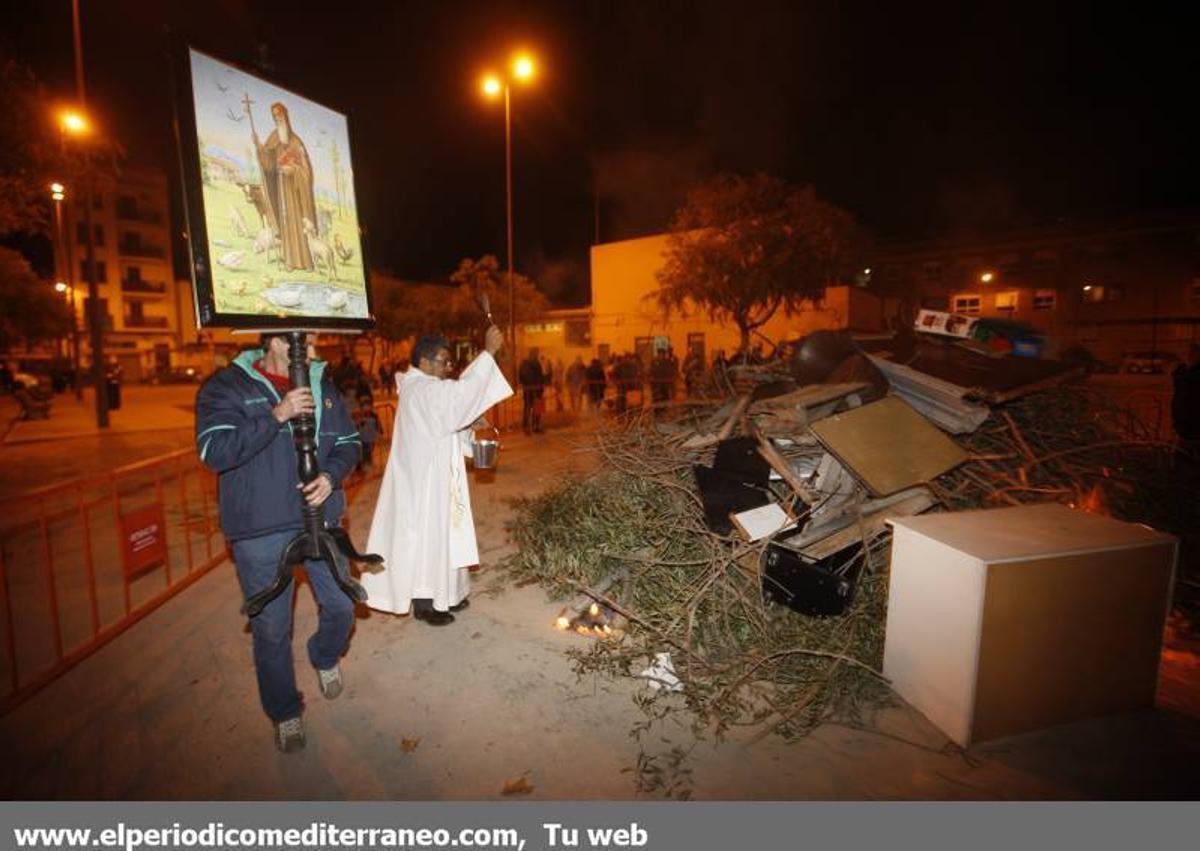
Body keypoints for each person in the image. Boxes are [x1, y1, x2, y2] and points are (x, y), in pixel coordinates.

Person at [195, 332, 362, 753]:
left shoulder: (321, 382)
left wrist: (331, 476)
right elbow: (214, 451)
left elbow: (349, 442)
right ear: (273, 342)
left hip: (320, 518)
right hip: (261, 529)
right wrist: (277, 415)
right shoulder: (228, 385)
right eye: (301, 342)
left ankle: (324, 654)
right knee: (271, 628)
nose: (311, 351)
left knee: (343, 605)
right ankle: (285, 710)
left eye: (312, 341)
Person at [363, 326, 511, 625]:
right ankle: (425, 602)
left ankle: (449, 594)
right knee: (428, 537)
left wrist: (468, 422)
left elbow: (447, 417)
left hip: (440, 478)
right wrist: (488, 352)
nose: (447, 368)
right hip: (424, 484)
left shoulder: (425, 389)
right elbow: (458, 395)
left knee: (448, 533)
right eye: (443, 361)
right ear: (425, 362)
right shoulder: (421, 389)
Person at [253, 101, 317, 272]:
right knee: (286, 222)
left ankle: (306, 262)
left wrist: (294, 170)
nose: (277, 118)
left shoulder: (296, 142)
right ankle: (290, 261)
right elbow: (268, 165)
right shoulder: (274, 138)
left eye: (279, 114)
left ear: (285, 115)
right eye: (274, 116)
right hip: (281, 190)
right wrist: (259, 147)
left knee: (298, 223)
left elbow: (306, 172)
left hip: (296, 192)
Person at [518, 348, 546, 434]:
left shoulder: (525, 364)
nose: (537, 355)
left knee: (531, 408)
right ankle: (532, 426)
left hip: (531, 389)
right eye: (536, 353)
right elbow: (540, 376)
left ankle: (530, 426)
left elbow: (521, 377)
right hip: (534, 389)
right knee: (532, 408)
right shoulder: (534, 364)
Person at [356, 397, 381, 470]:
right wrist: (360, 422)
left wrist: (380, 432)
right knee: (365, 450)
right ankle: (365, 463)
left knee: (371, 449)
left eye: (368, 406)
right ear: (361, 408)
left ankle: (369, 462)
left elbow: (378, 424)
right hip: (364, 437)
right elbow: (358, 425)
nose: (367, 408)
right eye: (364, 406)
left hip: (372, 436)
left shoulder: (374, 415)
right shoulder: (361, 416)